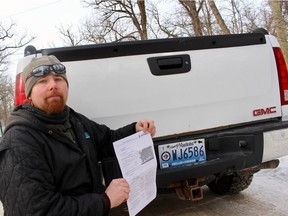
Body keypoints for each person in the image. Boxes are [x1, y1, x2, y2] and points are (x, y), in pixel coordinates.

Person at [0, 55, 156, 216]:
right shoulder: (19, 142)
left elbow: (108, 140)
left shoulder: (75, 120)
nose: (53, 85)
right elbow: (37, 211)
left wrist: (135, 130)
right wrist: (105, 200)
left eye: (59, 79)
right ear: (29, 94)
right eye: (42, 81)